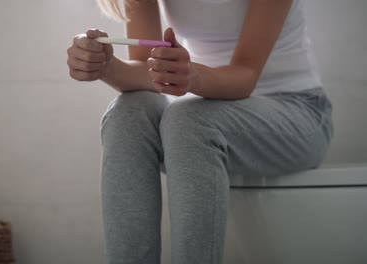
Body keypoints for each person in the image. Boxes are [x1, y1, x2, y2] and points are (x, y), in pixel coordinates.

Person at [66, 0, 333, 263]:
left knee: (189, 121)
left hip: (297, 111)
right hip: (208, 104)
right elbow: (145, 71)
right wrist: (107, 67)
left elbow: (246, 74)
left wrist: (192, 76)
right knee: (127, 113)